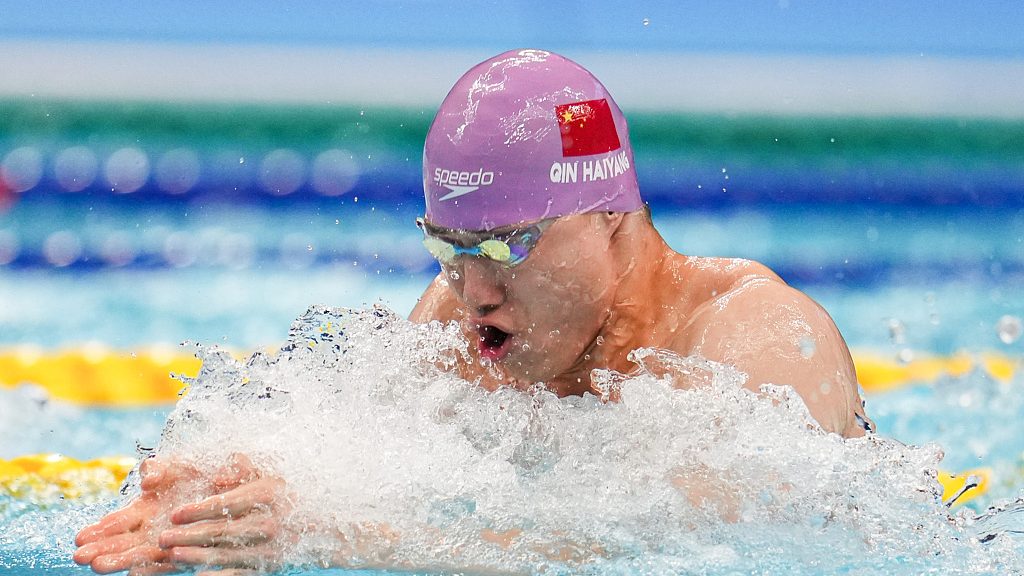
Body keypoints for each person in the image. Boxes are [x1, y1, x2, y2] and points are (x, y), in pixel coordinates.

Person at [74, 48, 873, 575]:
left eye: (507, 245)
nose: (473, 291)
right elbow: (353, 457)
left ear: (610, 216)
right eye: (449, 246)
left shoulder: (758, 338)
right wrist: (225, 499)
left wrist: (337, 537)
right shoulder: (468, 319)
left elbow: (696, 553)